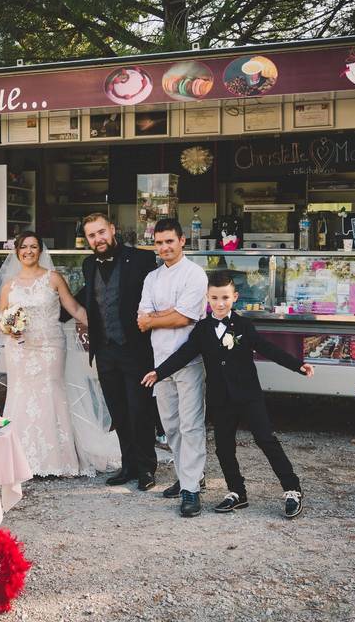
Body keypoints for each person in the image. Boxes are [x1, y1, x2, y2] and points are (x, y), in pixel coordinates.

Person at [142, 271, 315, 518]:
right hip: (221, 399)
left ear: (234, 297)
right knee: (223, 448)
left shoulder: (244, 326)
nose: (220, 303)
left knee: (266, 440)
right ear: (207, 298)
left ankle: (292, 489)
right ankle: (236, 491)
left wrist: (298, 365)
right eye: (214, 297)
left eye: (225, 297)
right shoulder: (202, 329)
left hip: (248, 395)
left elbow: (268, 348)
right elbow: (184, 355)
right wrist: (159, 373)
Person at [0, 230, 120, 477]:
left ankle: (59, 461)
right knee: (21, 395)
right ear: (17, 252)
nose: (28, 251)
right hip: (21, 348)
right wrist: (9, 330)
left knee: (52, 394)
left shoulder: (54, 278)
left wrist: (105, 327)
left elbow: (74, 308)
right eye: (24, 247)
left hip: (50, 346)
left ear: (40, 250)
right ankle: (21, 460)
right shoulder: (8, 285)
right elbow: (0, 320)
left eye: (34, 247)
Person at [73, 213, 160, 490]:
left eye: (101, 232)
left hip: (135, 349)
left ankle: (147, 468)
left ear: (112, 230)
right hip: (105, 351)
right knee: (118, 412)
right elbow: (87, 297)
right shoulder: (88, 265)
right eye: (91, 235)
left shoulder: (142, 260)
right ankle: (129, 465)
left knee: (140, 411)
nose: (98, 239)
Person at [137, 219, 208, 517]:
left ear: (182, 241)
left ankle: (191, 490)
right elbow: (142, 319)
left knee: (191, 425)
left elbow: (185, 318)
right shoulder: (151, 278)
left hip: (189, 360)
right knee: (171, 426)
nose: (164, 247)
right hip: (160, 362)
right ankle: (188, 476)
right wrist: (165, 315)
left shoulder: (195, 274)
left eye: (170, 241)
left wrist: (158, 316)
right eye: (159, 242)